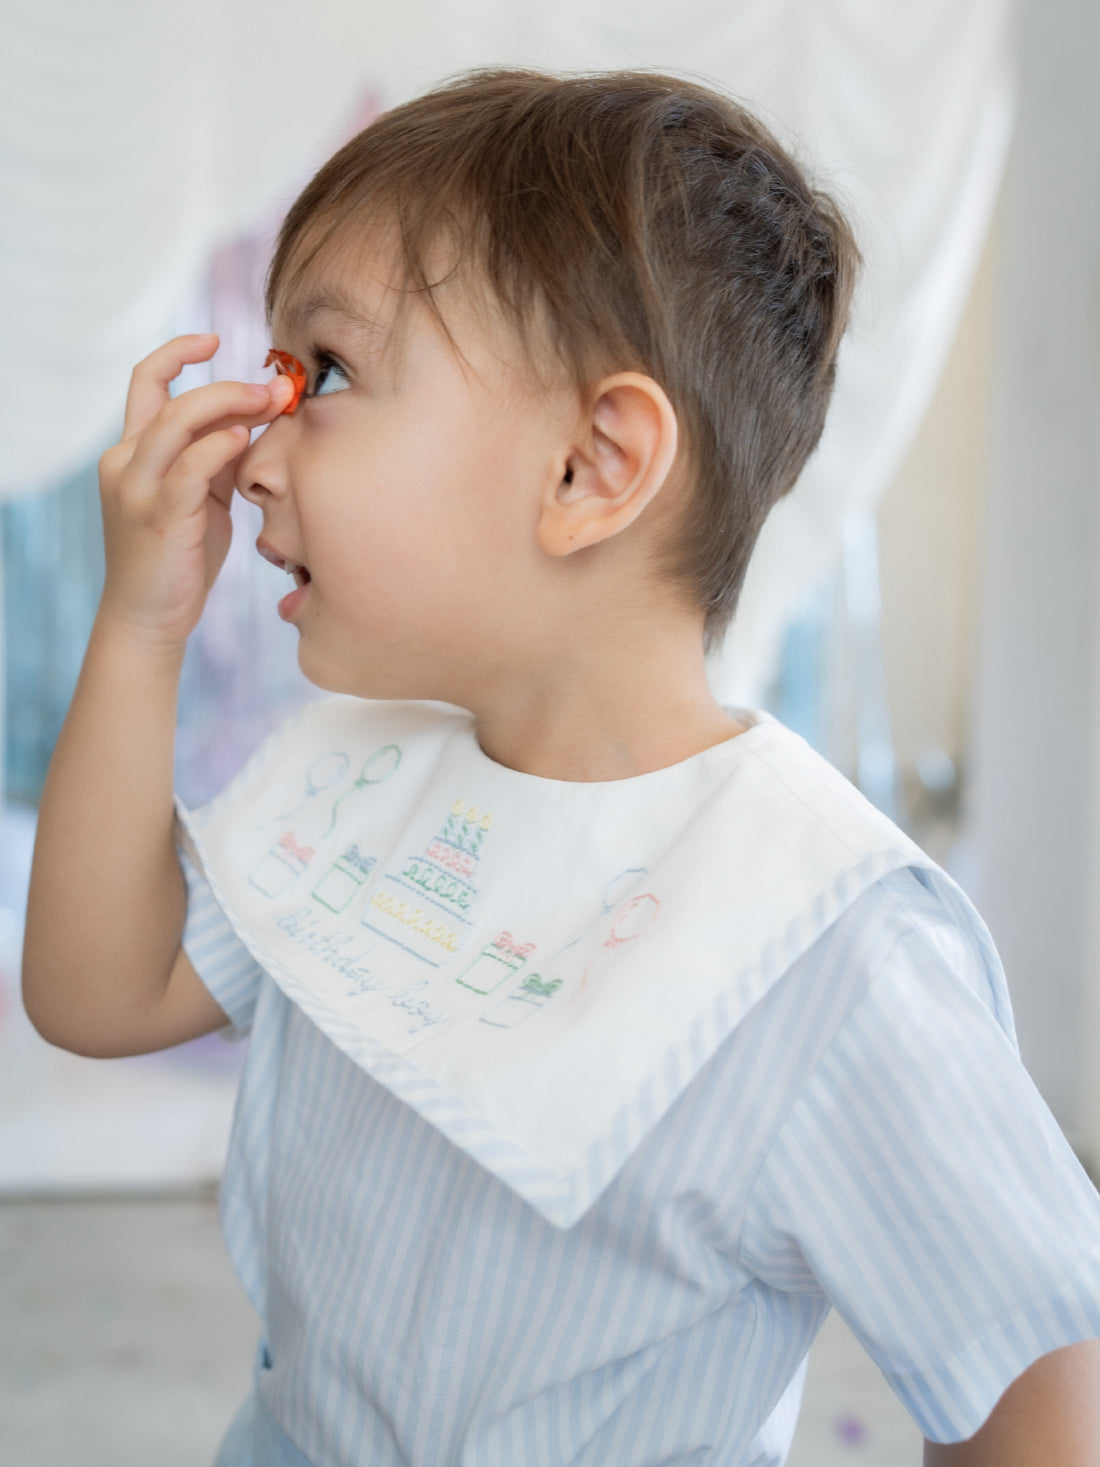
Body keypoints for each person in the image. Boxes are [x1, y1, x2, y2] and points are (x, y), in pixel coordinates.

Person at [22, 67, 1100, 1467]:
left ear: (592, 467)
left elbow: (1036, 1375)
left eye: (325, 375)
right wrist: (141, 621)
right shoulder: (361, 780)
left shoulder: (823, 943)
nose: (256, 453)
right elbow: (93, 995)